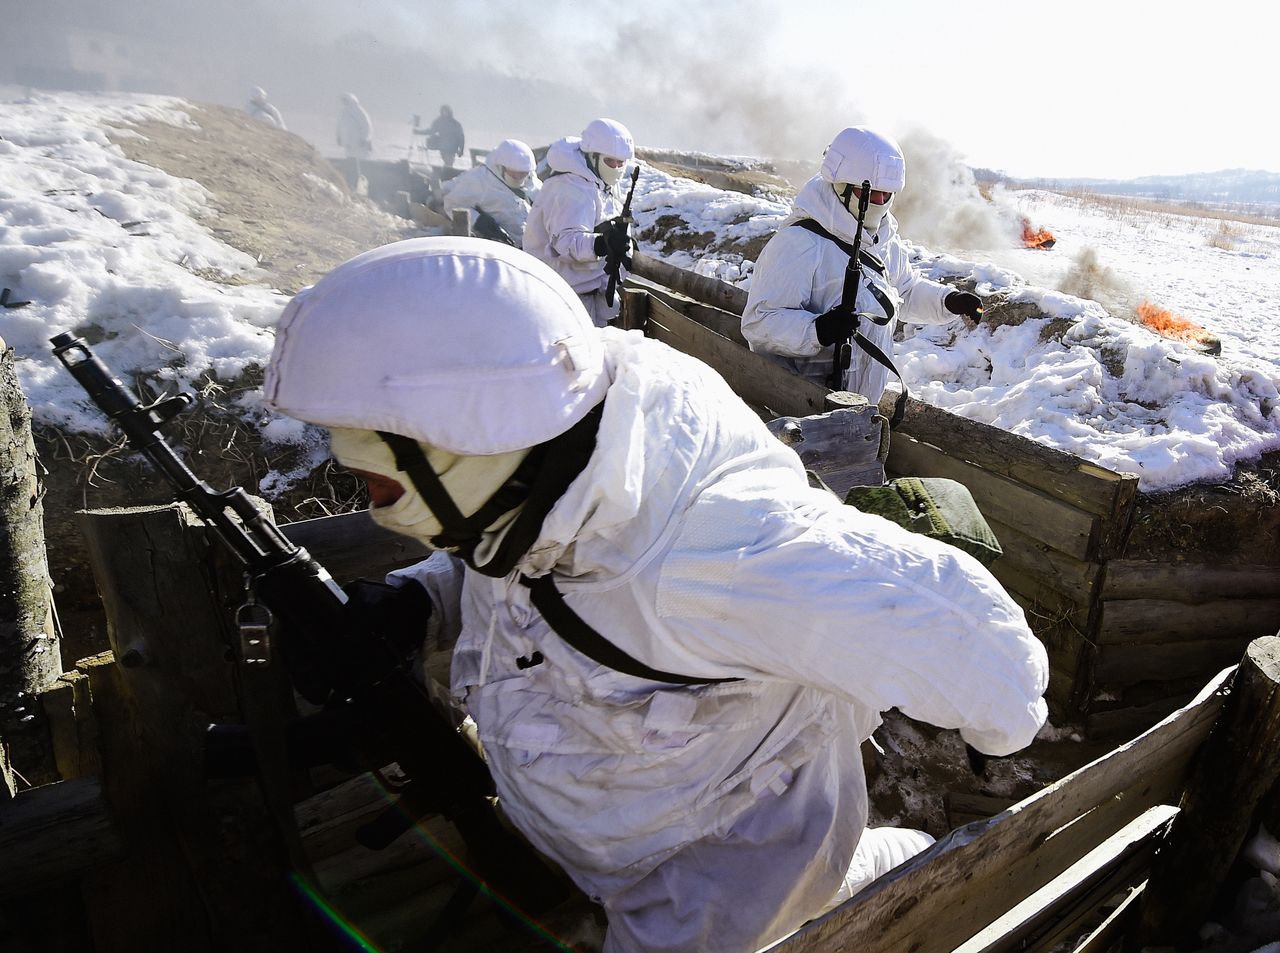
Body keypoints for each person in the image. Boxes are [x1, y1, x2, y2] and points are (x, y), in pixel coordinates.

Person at [264, 236, 1049, 953]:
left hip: (722, 867)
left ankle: (900, 865)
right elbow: (528, 569)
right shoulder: (546, 448)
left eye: (378, 483)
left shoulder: (721, 559)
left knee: (828, 900)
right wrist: (421, 602)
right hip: (625, 812)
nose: (371, 504)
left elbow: (961, 626)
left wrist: (998, 720)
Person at [742, 126, 986, 406]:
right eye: (870, 193)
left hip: (856, 404)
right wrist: (817, 329)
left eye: (887, 194)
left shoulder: (881, 237)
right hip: (803, 404)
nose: (880, 203)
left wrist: (949, 301)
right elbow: (759, 322)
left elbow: (903, 290)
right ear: (841, 186)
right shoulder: (799, 244)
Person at [523, 117, 636, 328]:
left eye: (621, 163)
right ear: (593, 157)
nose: (617, 167)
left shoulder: (601, 184)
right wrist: (601, 244)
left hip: (591, 295)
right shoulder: (571, 188)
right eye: (610, 161)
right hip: (564, 298)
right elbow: (565, 241)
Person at [440, 138, 542, 246]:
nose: (519, 177)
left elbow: (546, 201)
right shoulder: (479, 180)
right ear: (501, 167)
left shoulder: (531, 181)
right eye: (514, 174)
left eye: (523, 174)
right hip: (500, 245)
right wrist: (479, 222)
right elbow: (452, 203)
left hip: (532, 245)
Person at [336, 92, 373, 189]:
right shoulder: (343, 112)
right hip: (348, 143)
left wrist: (365, 139)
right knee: (350, 161)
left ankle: (359, 185)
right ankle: (350, 183)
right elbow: (339, 126)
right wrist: (339, 137)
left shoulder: (359, 111)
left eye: (346, 100)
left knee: (359, 163)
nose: (344, 102)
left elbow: (367, 126)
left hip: (358, 143)